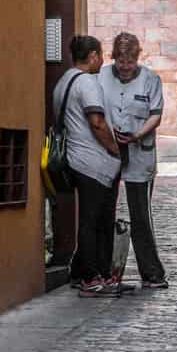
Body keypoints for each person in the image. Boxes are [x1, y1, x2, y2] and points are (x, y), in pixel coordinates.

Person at [52, 34, 123, 296]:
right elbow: (96, 122)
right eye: (100, 55)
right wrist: (113, 148)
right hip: (92, 161)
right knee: (94, 221)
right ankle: (92, 277)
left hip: (76, 159)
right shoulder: (87, 83)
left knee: (92, 219)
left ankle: (92, 273)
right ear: (92, 55)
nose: (102, 60)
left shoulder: (63, 82)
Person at [98, 32, 169, 289]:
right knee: (104, 209)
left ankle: (151, 272)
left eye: (130, 62)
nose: (125, 67)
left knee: (140, 214)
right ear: (114, 58)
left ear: (137, 58)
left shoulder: (151, 79)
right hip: (108, 151)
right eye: (121, 62)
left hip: (140, 152)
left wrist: (138, 133)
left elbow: (156, 114)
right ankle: (104, 270)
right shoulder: (102, 76)